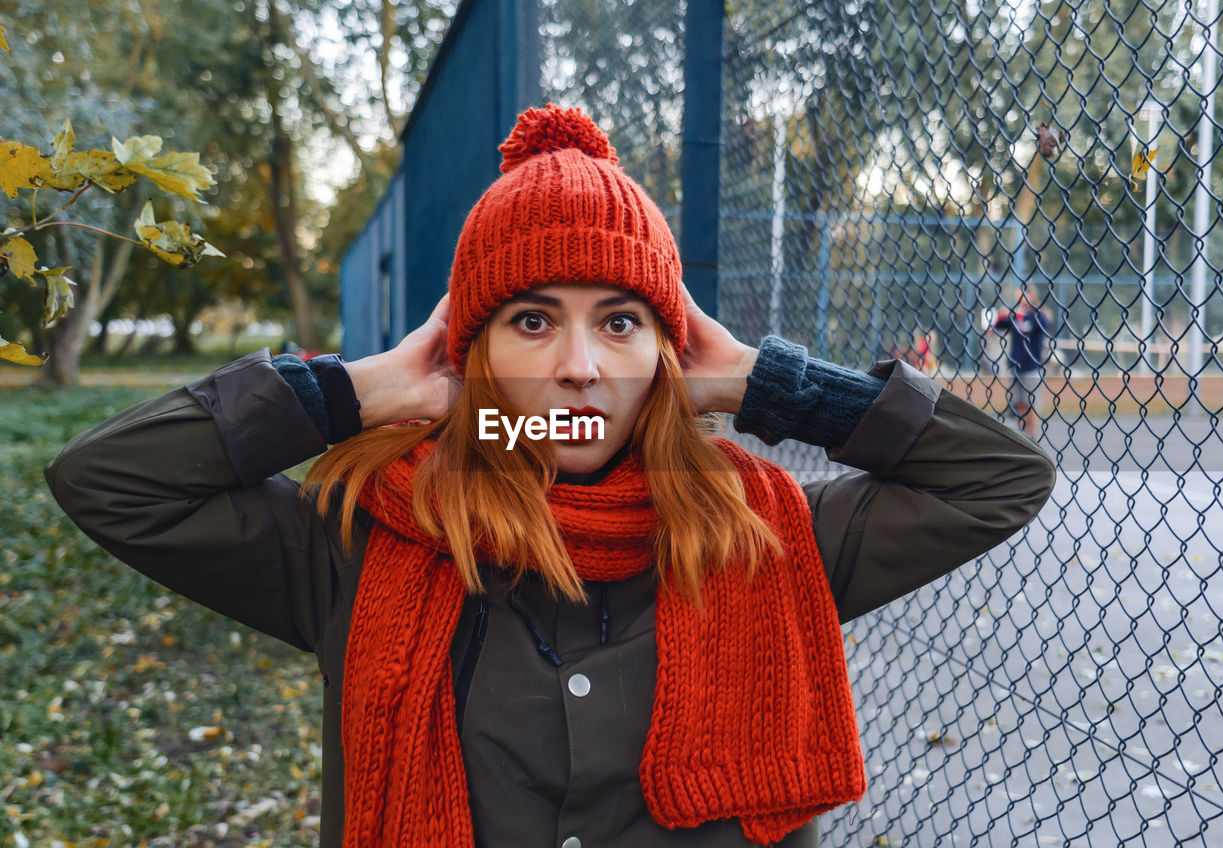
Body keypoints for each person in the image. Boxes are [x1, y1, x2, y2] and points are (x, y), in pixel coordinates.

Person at [45, 104, 1057, 848]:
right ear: (473, 350)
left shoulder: (767, 535)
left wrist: (769, 384)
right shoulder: (355, 540)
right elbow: (111, 480)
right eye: (532, 319)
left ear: (663, 349)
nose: (579, 364)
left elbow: (997, 477)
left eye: (619, 320)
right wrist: (352, 393)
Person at [989, 286, 1055, 438]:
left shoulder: (1038, 315)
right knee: (1019, 403)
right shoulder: (1015, 315)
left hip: (1031, 366)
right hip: (1015, 366)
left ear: (1032, 296)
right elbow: (997, 326)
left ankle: (1032, 436)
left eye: (1023, 295)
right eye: (1018, 295)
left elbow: (1037, 325)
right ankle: (1024, 436)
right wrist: (1001, 314)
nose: (1020, 299)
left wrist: (1019, 315)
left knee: (1030, 404)